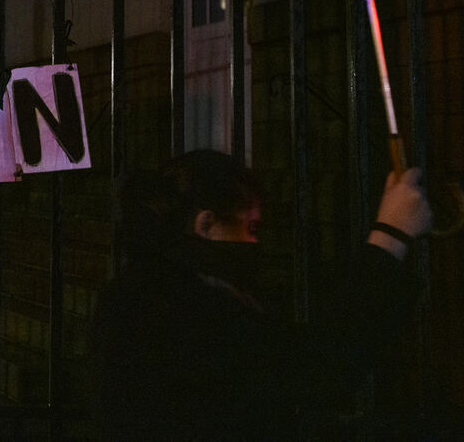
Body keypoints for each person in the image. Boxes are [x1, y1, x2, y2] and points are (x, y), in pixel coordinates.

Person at [90, 148, 432, 439]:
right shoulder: (187, 309)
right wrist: (391, 236)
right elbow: (316, 370)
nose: (255, 242)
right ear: (206, 224)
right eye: (250, 227)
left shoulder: (137, 292)